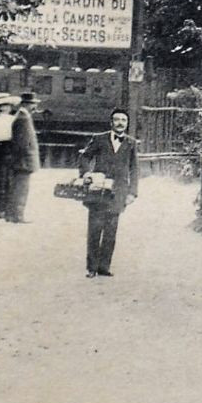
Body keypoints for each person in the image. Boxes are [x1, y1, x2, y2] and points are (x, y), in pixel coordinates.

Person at [76, 107, 138, 278]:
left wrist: (132, 192)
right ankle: (91, 267)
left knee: (111, 230)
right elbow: (85, 157)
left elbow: (134, 169)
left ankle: (104, 267)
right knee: (95, 228)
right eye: (117, 120)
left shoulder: (131, 143)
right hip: (98, 189)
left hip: (118, 191)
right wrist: (87, 173)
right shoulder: (99, 139)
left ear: (127, 124)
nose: (120, 123)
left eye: (123, 120)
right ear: (111, 123)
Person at [6, 92, 42, 223]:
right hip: (24, 160)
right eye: (34, 104)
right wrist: (26, 158)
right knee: (21, 189)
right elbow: (23, 142)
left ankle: (12, 214)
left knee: (17, 187)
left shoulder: (21, 116)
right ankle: (18, 215)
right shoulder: (23, 118)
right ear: (27, 104)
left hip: (21, 160)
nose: (35, 107)